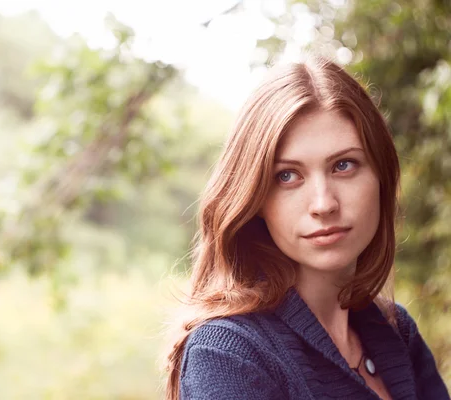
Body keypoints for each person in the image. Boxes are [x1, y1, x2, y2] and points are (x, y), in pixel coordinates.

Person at [163, 56, 450, 400]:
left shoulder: (395, 331)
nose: (323, 203)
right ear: (255, 198)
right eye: (287, 176)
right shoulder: (228, 355)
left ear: (381, 177)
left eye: (344, 165)